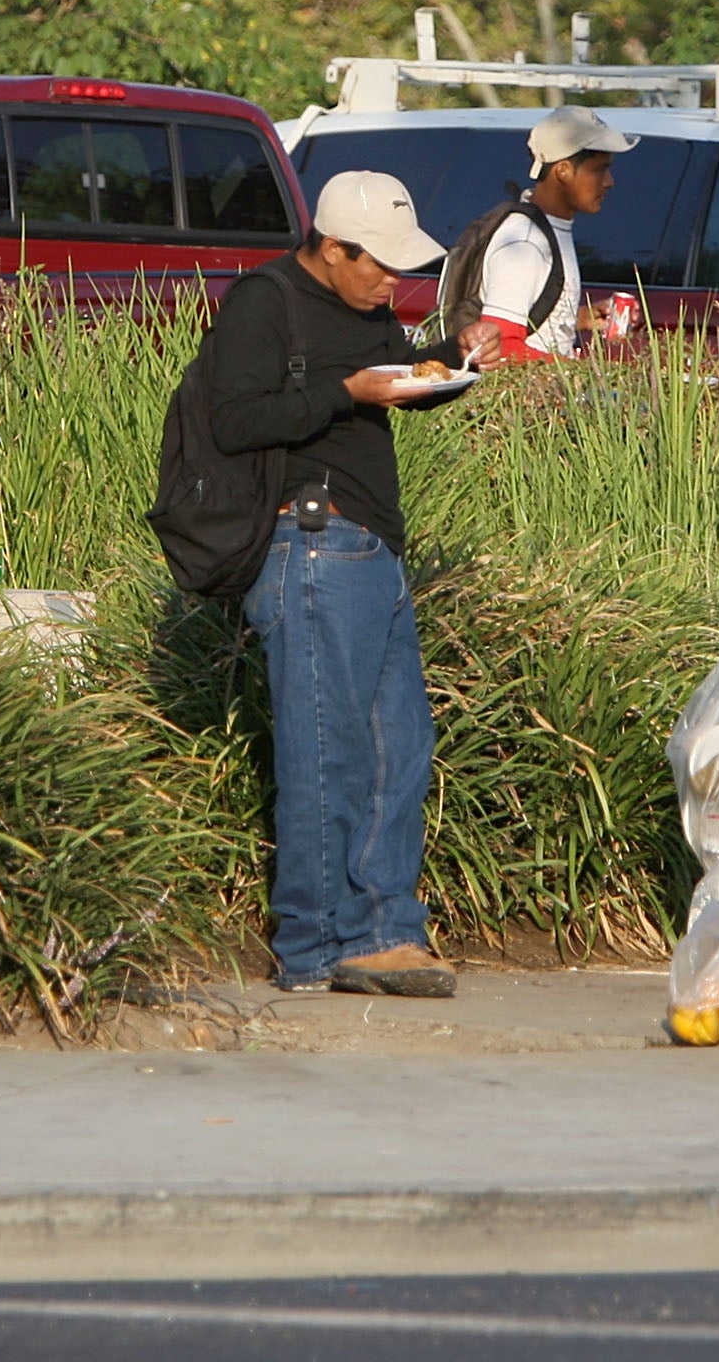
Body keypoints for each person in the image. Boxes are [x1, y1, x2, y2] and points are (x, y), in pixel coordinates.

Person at [209, 171, 504, 998]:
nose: (392, 284)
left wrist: (454, 360)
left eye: (403, 270)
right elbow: (233, 420)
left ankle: (382, 932)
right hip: (308, 545)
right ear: (330, 247)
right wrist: (343, 392)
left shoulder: (367, 309)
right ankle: (310, 945)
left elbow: (398, 385)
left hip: (372, 548)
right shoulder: (263, 304)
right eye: (378, 265)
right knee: (325, 753)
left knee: (398, 747)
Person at [463, 106, 635, 361]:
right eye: (599, 169)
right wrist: (579, 372)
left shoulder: (549, 230)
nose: (610, 181)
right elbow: (497, 347)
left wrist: (582, 317)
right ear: (563, 171)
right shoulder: (526, 242)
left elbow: (526, 322)